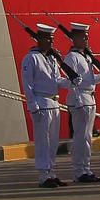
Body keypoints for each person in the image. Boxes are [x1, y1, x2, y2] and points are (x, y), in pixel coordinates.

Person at [18, 24, 70, 188]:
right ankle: (43, 174)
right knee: (43, 141)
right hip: (41, 103)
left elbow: (56, 80)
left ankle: (51, 171)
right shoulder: (31, 58)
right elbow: (28, 84)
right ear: (39, 39)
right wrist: (32, 104)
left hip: (54, 103)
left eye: (51, 39)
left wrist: (71, 82)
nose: (50, 42)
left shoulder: (51, 58)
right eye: (47, 38)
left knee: (53, 141)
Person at [59, 23, 100, 184]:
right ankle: (79, 171)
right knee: (80, 137)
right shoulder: (71, 57)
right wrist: (79, 100)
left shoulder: (86, 56)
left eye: (87, 36)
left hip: (89, 99)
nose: (86, 39)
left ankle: (86, 169)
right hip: (80, 101)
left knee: (86, 137)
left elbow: (89, 80)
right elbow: (71, 81)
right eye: (82, 36)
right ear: (74, 38)